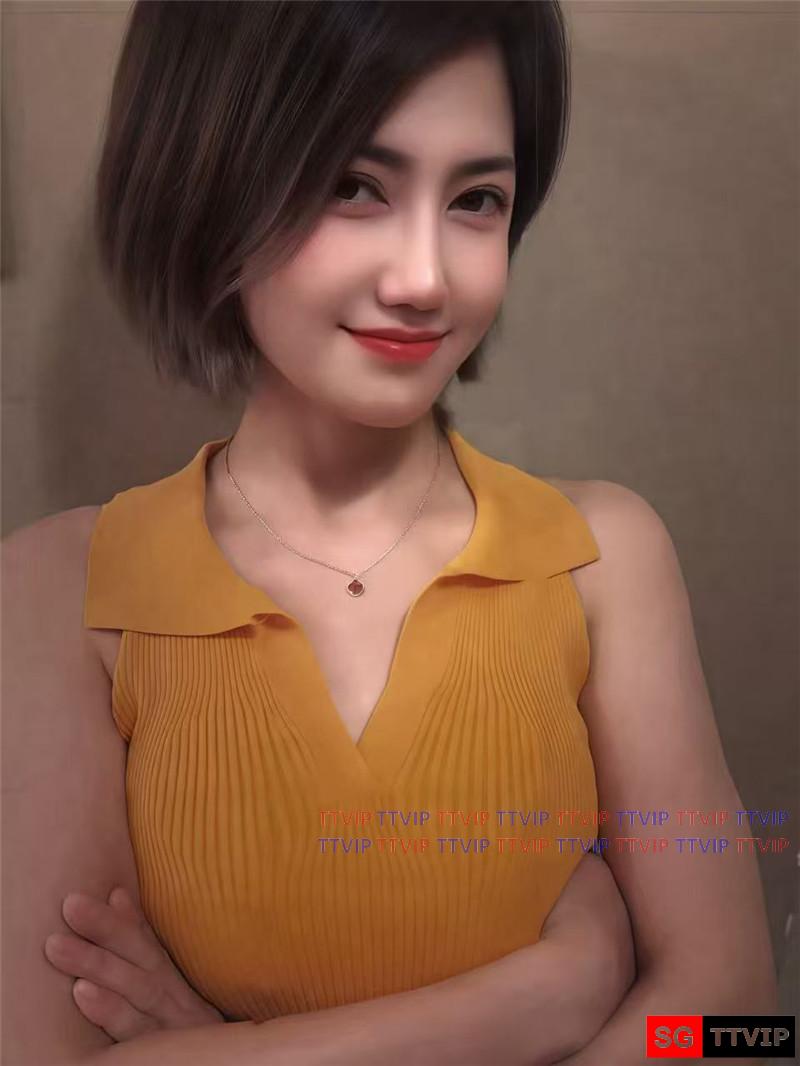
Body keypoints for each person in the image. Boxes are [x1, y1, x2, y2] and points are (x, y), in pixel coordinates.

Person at [4, 2, 776, 1064]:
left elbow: (735, 1025)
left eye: (475, 200)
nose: (424, 278)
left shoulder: (602, 555)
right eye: (353, 185)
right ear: (210, 182)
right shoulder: (61, 590)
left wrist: (240, 1049)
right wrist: (547, 992)